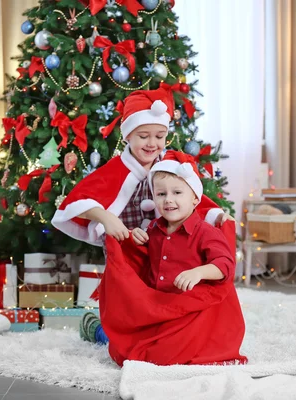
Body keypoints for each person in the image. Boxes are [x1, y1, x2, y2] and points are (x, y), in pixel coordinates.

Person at [51, 88, 234, 343]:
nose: (152, 143)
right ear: (128, 136)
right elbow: (79, 200)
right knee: (128, 299)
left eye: (159, 136)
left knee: (156, 301)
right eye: (143, 136)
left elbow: (190, 196)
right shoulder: (116, 169)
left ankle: (153, 333)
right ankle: (103, 330)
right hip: (126, 246)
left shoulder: (168, 165)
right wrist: (107, 218)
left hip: (161, 245)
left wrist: (215, 215)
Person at [97, 151, 247, 366]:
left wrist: (199, 272)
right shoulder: (154, 230)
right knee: (127, 347)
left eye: (177, 192)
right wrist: (134, 238)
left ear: (195, 198)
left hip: (191, 310)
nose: (168, 200)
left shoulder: (205, 232)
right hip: (160, 307)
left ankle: (101, 331)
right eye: (160, 194)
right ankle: (98, 329)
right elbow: (142, 260)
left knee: (162, 355)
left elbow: (225, 266)